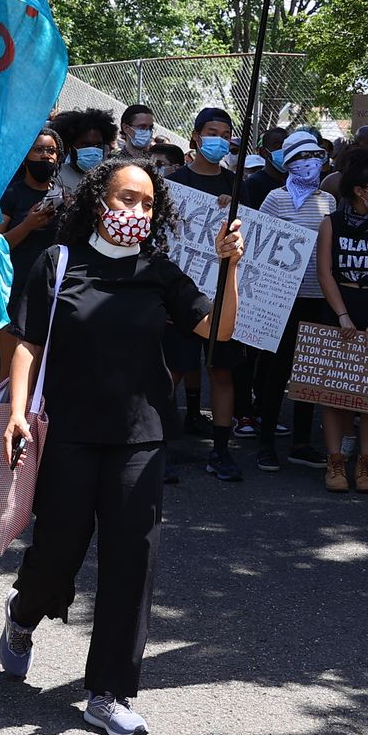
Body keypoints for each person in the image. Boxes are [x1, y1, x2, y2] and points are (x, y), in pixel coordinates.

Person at [0, 157, 244, 735]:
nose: (136, 211)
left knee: (131, 561)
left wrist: (230, 266)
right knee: (57, 552)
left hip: (142, 436)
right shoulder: (58, 264)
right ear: (98, 201)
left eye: (146, 203)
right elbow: (28, 343)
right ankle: (22, 613)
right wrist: (16, 412)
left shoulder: (160, 273)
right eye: (126, 199)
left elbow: (222, 330)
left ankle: (106, 693)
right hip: (69, 433)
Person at [164, 107, 247, 479]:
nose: (219, 139)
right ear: (196, 137)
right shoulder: (172, 183)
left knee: (222, 372)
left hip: (222, 293)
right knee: (171, 373)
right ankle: (158, 448)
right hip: (179, 293)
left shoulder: (237, 185)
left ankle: (221, 450)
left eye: (225, 133)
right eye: (212, 132)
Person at [313, 148, 368, 493]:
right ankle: (335, 462)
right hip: (339, 308)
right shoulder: (331, 224)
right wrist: (343, 317)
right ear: (358, 190)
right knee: (333, 391)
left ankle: (366, 465)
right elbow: (325, 273)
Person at [252, 130, 333, 472]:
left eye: (314, 155)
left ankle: (302, 442)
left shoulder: (328, 201)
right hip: (281, 300)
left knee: (308, 373)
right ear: (286, 162)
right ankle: (266, 442)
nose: (308, 162)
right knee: (276, 372)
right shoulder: (274, 198)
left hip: (318, 297)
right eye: (300, 157)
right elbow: (260, 245)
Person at [0, 127, 65, 308]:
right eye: (38, 150)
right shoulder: (11, 194)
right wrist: (27, 225)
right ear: (25, 157)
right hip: (17, 287)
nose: (45, 156)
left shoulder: (62, 196)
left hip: (54, 287)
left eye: (51, 151)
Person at [49, 108, 115, 197]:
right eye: (86, 145)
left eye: (98, 145)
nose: (92, 150)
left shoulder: (108, 177)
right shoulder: (56, 176)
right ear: (69, 146)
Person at [241, 126, 289, 209]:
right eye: (277, 146)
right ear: (264, 152)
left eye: (287, 146)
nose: (283, 151)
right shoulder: (254, 183)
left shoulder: (292, 180)